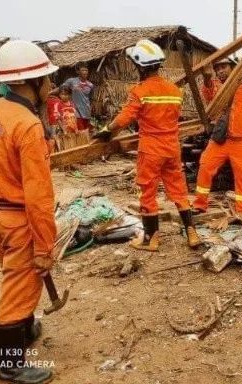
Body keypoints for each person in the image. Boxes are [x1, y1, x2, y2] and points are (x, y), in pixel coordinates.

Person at [0, 40, 58, 384]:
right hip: (20, 217)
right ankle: (9, 365)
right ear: (31, 82)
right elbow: (38, 194)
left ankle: (24, 327)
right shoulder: (28, 125)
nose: (51, 86)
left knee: (18, 279)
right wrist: (45, 246)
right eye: (46, 79)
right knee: (19, 285)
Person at [95, 39, 201, 251]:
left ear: (139, 66)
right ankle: (191, 232)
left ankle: (151, 239)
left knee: (148, 192)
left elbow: (125, 118)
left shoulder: (140, 91)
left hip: (151, 149)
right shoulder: (174, 90)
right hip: (172, 147)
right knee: (178, 190)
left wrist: (106, 130)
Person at [193, 57, 242, 218]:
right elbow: (208, 96)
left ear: (233, 67)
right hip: (220, 138)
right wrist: (207, 78)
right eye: (217, 68)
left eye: (224, 67)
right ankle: (200, 204)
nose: (220, 70)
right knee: (205, 167)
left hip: (241, 139)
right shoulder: (216, 86)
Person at [53, 64, 94, 131]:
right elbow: (61, 88)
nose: (85, 72)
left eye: (86, 70)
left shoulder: (90, 85)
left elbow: (91, 98)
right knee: (79, 130)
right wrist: (50, 92)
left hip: (86, 112)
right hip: (76, 111)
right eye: (83, 70)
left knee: (85, 131)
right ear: (78, 72)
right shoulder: (71, 81)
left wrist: (90, 110)